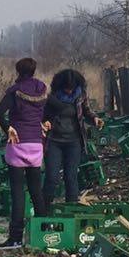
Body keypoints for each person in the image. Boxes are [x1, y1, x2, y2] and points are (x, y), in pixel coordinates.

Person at [0, 57, 50, 249]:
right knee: (36, 191)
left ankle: (15, 237)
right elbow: (47, 112)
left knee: (18, 193)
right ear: (34, 71)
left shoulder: (15, 91)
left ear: (18, 71)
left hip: (18, 143)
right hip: (36, 144)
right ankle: (43, 233)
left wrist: (8, 127)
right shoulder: (42, 89)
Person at [43, 67, 101, 205]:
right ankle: (43, 208)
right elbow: (44, 116)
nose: (69, 91)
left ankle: (72, 207)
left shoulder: (80, 96)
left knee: (71, 176)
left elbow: (87, 111)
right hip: (54, 141)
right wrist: (45, 122)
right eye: (66, 88)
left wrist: (95, 119)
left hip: (74, 141)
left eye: (72, 88)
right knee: (52, 177)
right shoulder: (53, 97)